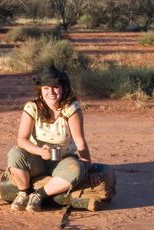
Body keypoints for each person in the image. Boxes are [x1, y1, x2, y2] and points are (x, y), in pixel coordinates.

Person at [7, 65, 100, 212]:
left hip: (63, 159)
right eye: (46, 88)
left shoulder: (71, 108)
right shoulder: (32, 107)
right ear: (40, 90)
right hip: (37, 159)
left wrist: (90, 169)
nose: (51, 92)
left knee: (77, 169)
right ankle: (23, 193)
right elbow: (22, 140)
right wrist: (39, 151)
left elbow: (80, 141)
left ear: (62, 88)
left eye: (55, 87)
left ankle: (38, 195)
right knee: (15, 153)